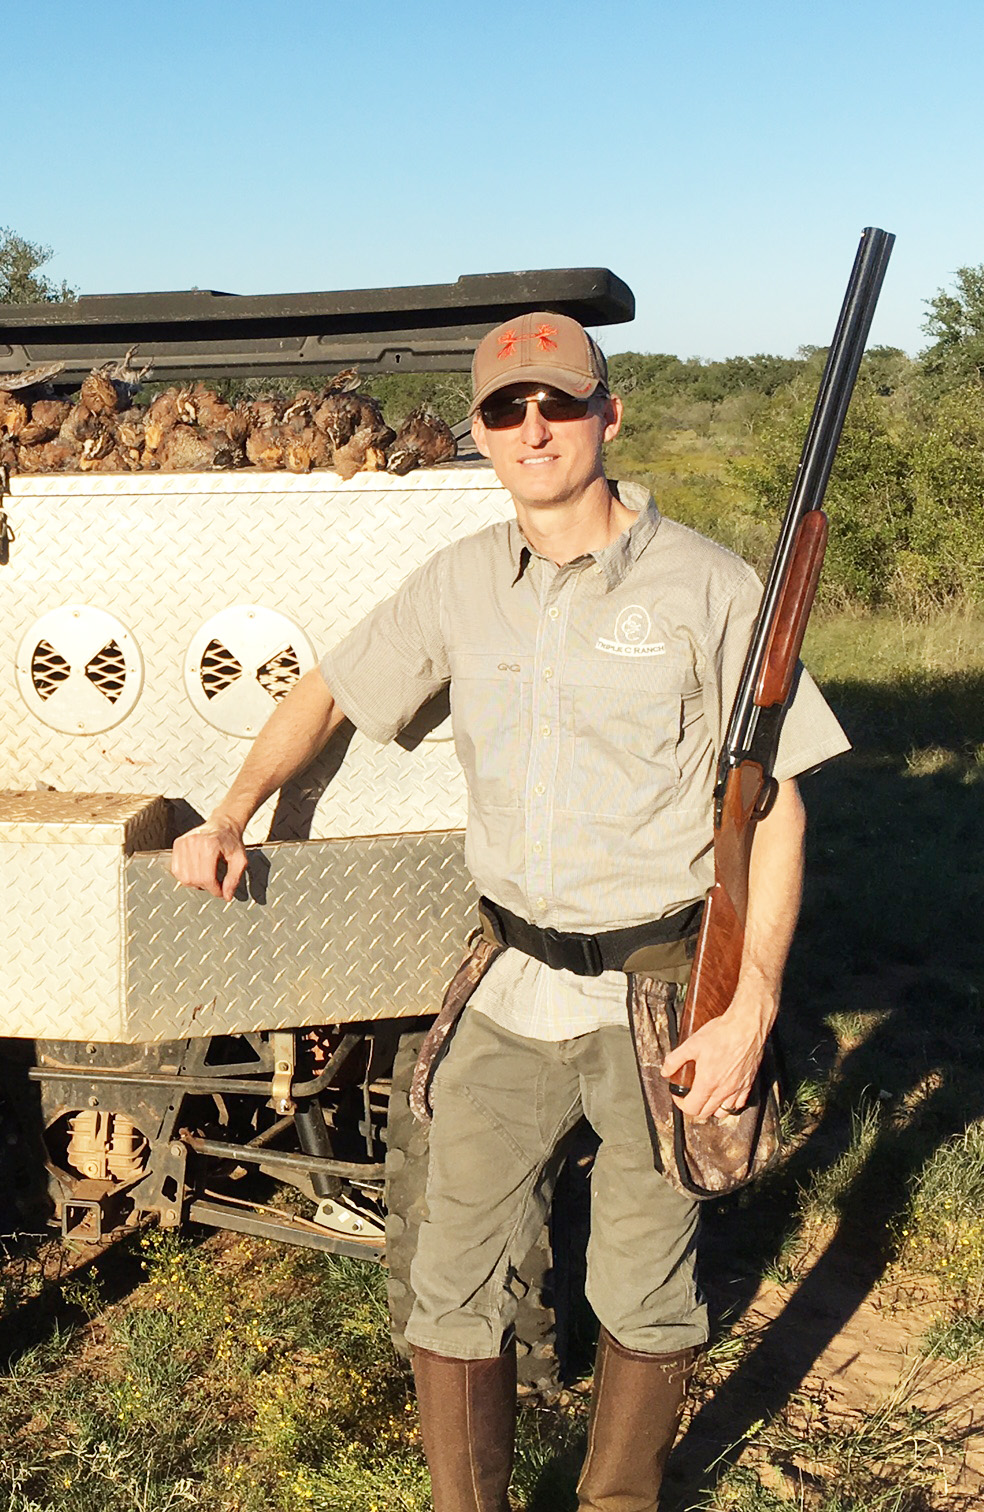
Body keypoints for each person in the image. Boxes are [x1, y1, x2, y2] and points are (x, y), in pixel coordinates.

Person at [169, 312, 849, 1512]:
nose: (535, 428)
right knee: (449, 1282)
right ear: (481, 433)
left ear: (607, 415)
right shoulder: (466, 579)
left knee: (644, 1287)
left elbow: (778, 806)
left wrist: (752, 1007)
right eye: (505, 409)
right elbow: (332, 687)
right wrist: (232, 810)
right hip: (508, 979)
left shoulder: (708, 585)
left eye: (559, 403)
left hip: (660, 994)